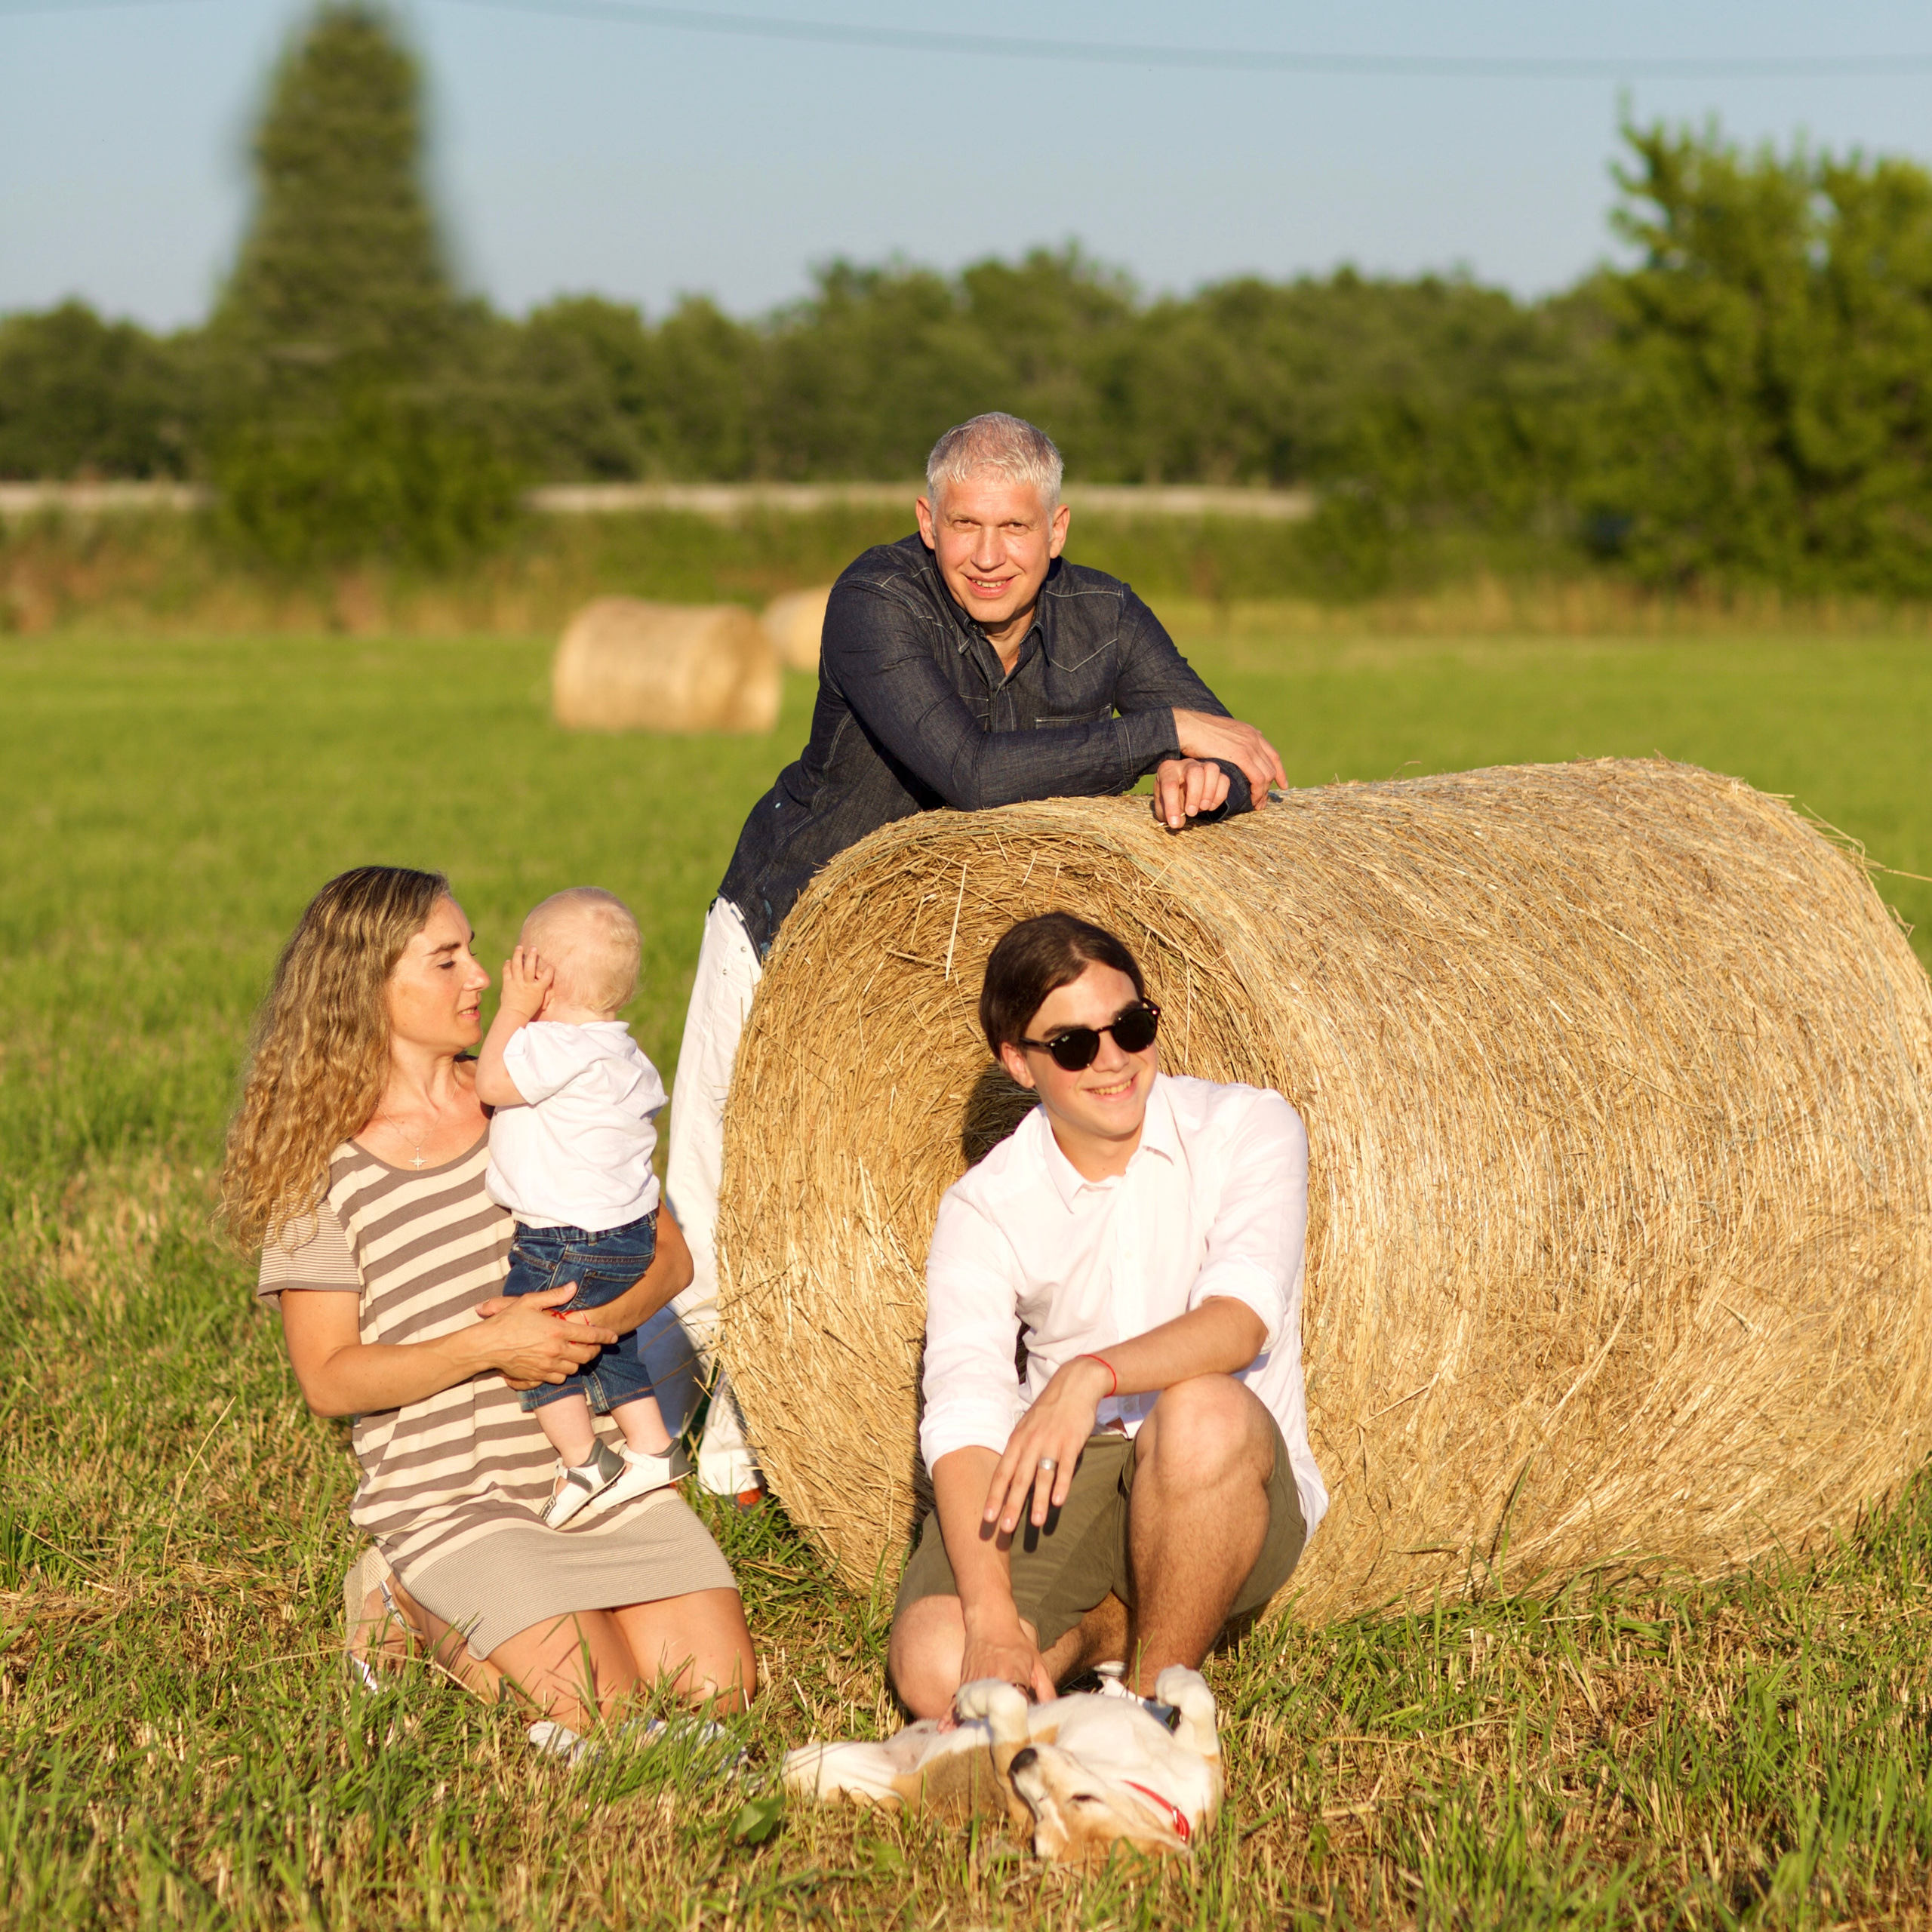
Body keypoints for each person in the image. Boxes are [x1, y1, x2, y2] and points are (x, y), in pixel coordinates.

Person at [665, 411, 1291, 1504]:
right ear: (927, 522)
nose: (989, 554)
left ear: (1057, 529)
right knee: (721, 1194)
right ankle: (701, 1428)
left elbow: (1234, 748)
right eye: (965, 526)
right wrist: (1157, 737)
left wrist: (1207, 779)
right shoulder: (875, 601)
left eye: (1014, 527)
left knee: (884, 1191)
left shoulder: (1104, 614)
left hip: (958, 956)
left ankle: (836, 1421)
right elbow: (972, 773)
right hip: (793, 923)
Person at [223, 865, 755, 1729]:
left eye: (472, 949)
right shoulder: (317, 1163)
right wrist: (492, 1346)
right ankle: (404, 1591)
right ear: (366, 984)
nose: (481, 974)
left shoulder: (540, 1087)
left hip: (593, 1470)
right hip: (449, 1494)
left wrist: (590, 1325)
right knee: (600, 1709)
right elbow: (327, 1377)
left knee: (719, 1688)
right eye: (447, 960)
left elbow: (668, 1257)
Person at [886, 912, 1327, 1716]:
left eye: (1130, 1026)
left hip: (1223, 1474)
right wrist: (990, 1619)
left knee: (1201, 1410)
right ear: (1017, 1061)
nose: (1113, 1060)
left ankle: (1154, 1707)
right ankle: (1107, 1627)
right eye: (1073, 1045)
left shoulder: (1248, 1128)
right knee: (937, 1668)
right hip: (1069, 1473)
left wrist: (1091, 1375)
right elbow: (965, 1409)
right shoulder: (985, 1206)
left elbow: (1240, 1320)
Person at [473, 888, 687, 1527]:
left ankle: (583, 1459)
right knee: (611, 1346)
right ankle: (653, 1447)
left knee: (537, 1336)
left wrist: (513, 1012)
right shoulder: (625, 1054)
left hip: (563, 1237)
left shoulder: (551, 1045)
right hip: (630, 1236)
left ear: (546, 979)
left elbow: (491, 1082)